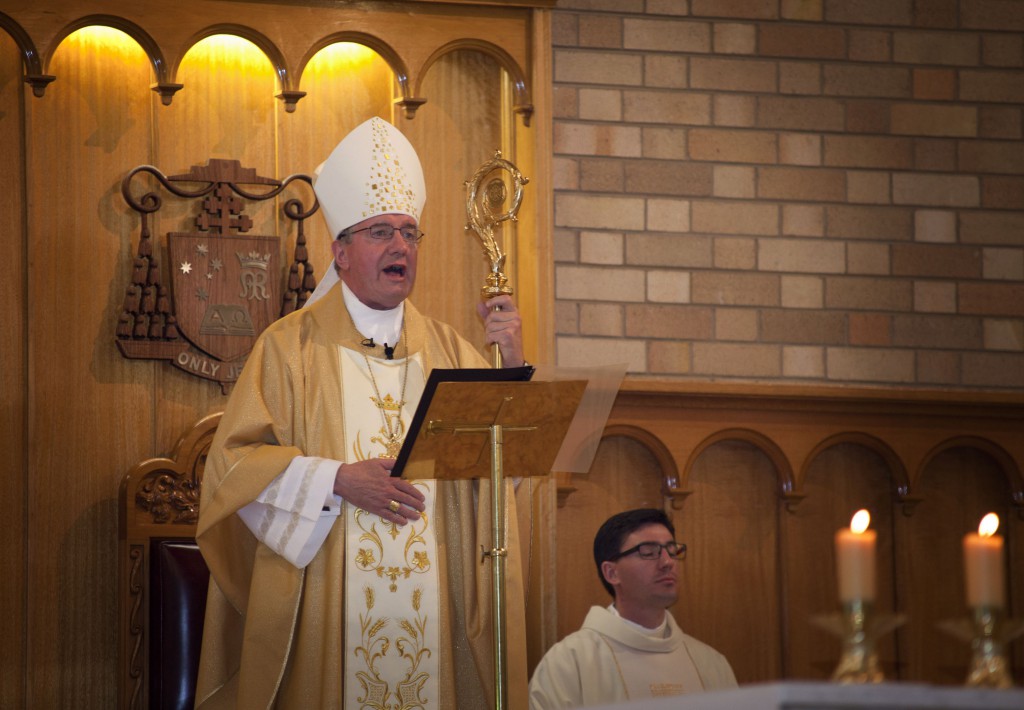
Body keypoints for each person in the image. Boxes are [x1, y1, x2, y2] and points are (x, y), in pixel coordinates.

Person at [194, 116, 531, 709]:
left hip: (437, 617)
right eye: (380, 232)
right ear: (340, 252)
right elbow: (230, 468)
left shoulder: (454, 352)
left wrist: (511, 366)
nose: (401, 246)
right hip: (327, 609)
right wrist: (335, 480)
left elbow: (504, 472)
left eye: (409, 233)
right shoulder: (287, 347)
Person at [528, 508, 737, 709]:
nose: (667, 562)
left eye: (672, 550)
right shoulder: (570, 664)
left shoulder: (710, 663)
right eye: (648, 552)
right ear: (612, 573)